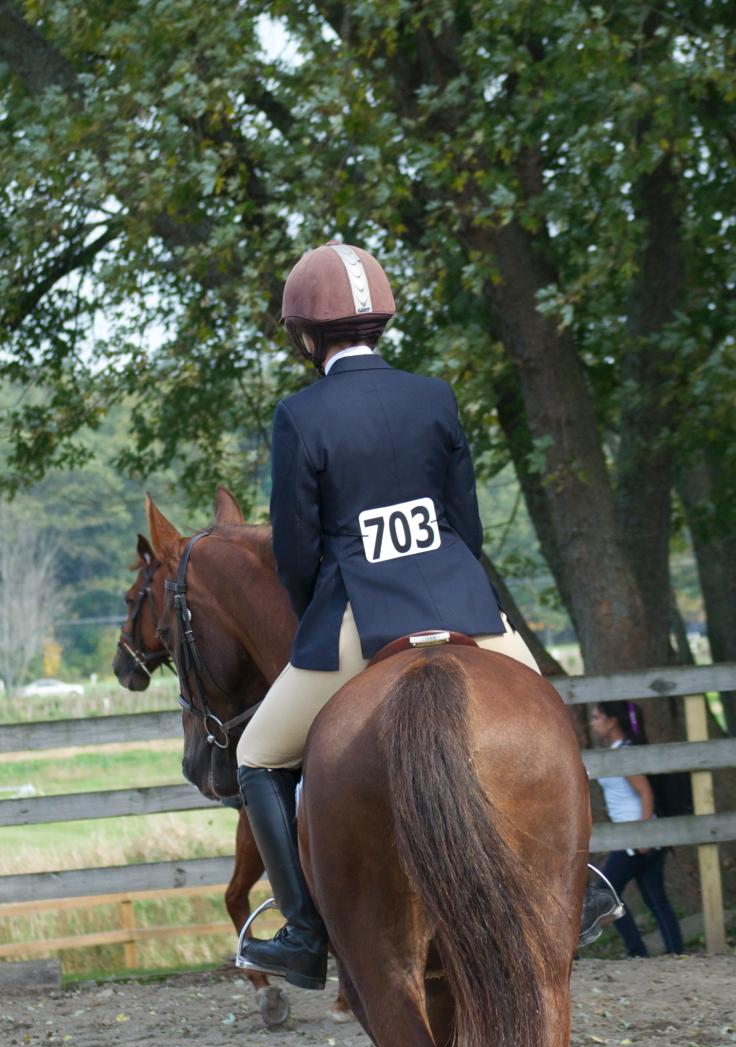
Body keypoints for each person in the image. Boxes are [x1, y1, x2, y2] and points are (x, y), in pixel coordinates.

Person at [235, 241, 619, 988]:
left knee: (256, 754)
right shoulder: (434, 396)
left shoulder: (299, 415)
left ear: (306, 335)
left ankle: (304, 930)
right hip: (466, 606)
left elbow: (298, 552)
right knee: (544, 719)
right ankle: (578, 888)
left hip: (359, 614)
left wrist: (318, 613)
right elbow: (464, 526)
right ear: (379, 322)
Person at [590, 700, 684, 958]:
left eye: (597, 717)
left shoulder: (623, 754)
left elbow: (645, 792)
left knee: (604, 893)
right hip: (638, 836)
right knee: (655, 897)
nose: (593, 723)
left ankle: (638, 952)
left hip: (635, 837)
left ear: (612, 721)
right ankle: (675, 951)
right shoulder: (618, 750)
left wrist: (644, 834)